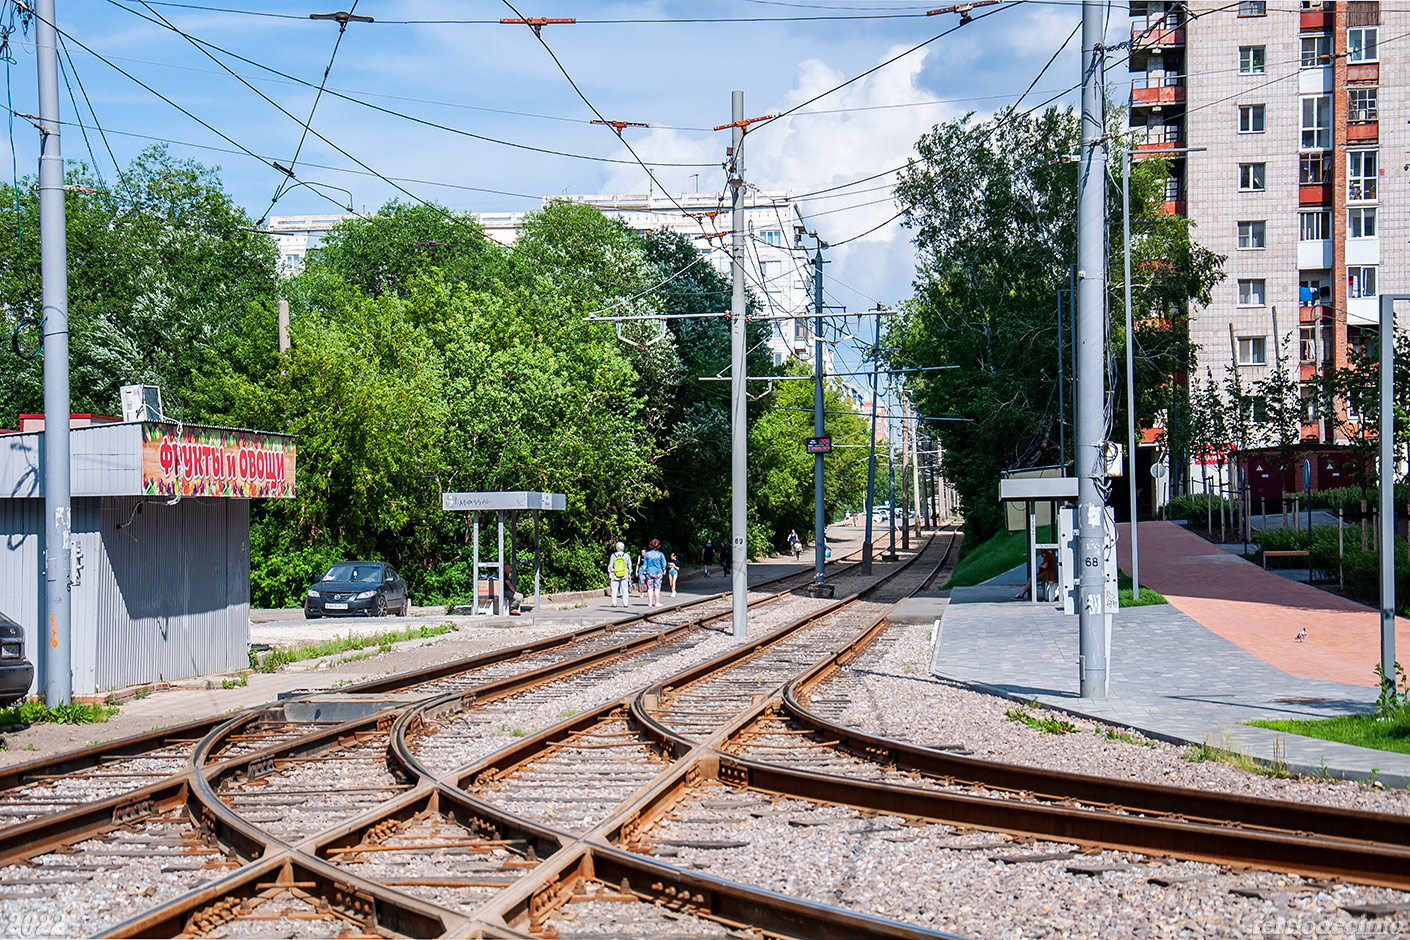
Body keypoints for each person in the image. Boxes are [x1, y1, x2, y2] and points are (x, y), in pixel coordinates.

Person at [642, 539, 668, 607]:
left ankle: (650, 602)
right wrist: (663, 569)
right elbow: (664, 564)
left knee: (649, 588)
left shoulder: (647, 554)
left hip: (649, 572)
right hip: (658, 573)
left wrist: (644, 573)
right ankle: (657, 602)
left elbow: (645, 564)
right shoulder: (660, 554)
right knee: (657, 587)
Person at [607, 541, 633, 608]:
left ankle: (614, 603)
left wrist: (610, 573)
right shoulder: (626, 555)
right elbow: (629, 565)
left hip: (614, 574)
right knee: (625, 589)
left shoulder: (613, 556)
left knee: (614, 589)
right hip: (624, 574)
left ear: (616, 548)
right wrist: (629, 573)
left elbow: (610, 566)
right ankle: (625, 603)